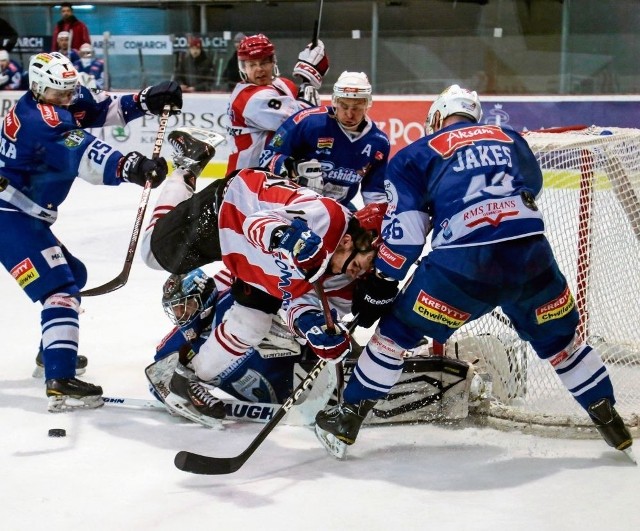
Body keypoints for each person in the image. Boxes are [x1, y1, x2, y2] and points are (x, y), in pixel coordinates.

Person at [314, 84, 634, 459]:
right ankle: (608, 419)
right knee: (562, 344)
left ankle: (348, 417)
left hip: (462, 270)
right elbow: (530, 187)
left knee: (396, 335)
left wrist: (383, 282)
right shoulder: (511, 138)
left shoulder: (415, 154)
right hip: (531, 261)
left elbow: (408, 236)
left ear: (436, 117)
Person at [138, 128, 385, 424]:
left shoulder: (348, 279)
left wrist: (313, 328)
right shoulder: (326, 217)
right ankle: (188, 166)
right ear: (351, 241)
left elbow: (296, 302)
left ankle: (185, 380)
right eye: (367, 259)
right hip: (232, 212)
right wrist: (286, 236)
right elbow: (257, 223)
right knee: (153, 255)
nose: (365, 270)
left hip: (261, 267)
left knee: (252, 324)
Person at [0, 51, 182, 412]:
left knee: (75, 274)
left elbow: (101, 108)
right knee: (60, 288)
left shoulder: (59, 95)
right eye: (60, 94)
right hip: (9, 214)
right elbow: (84, 153)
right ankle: (61, 380)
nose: (68, 98)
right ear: (38, 89)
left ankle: (50, 351)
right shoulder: (40, 121)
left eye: (70, 91)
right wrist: (131, 166)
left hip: (24, 212)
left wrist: (146, 100)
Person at [261, 71, 390, 209]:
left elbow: (375, 194)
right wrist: (292, 167)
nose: (349, 114)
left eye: (357, 108)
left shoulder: (378, 143)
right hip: (293, 204)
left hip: (339, 210)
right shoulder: (307, 121)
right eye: (344, 106)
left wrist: (375, 219)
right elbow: (267, 158)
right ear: (335, 101)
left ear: (367, 105)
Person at [225, 33, 329, 176]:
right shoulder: (248, 99)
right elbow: (301, 123)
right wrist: (308, 83)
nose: (259, 69)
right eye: (252, 65)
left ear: (273, 61)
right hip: (246, 178)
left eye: (263, 63)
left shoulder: (284, 84)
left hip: (272, 175)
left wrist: (309, 78)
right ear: (243, 67)